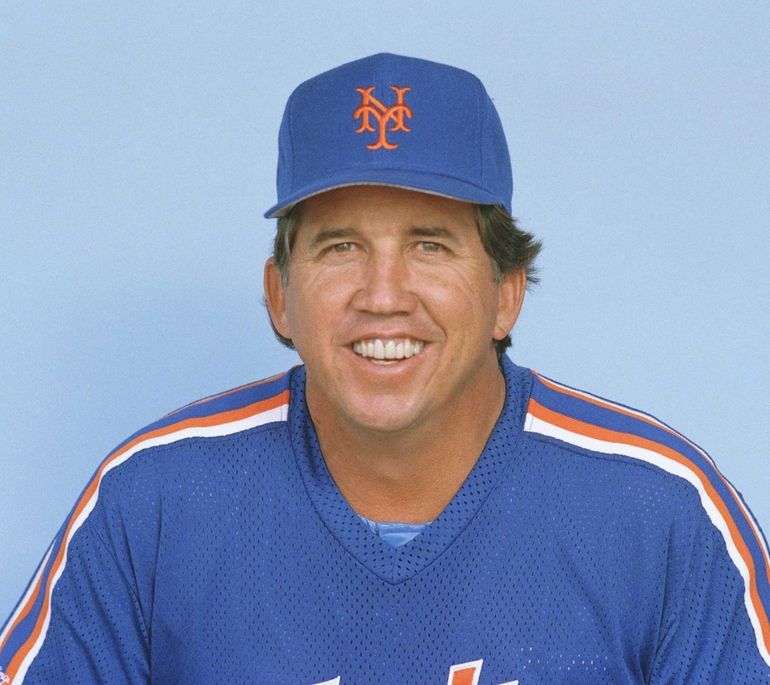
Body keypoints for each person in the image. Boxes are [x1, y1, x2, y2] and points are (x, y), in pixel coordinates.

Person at [1, 52, 768, 685]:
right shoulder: (153, 503)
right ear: (281, 297)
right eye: (340, 247)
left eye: (430, 244)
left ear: (506, 293)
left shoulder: (661, 513)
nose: (384, 294)